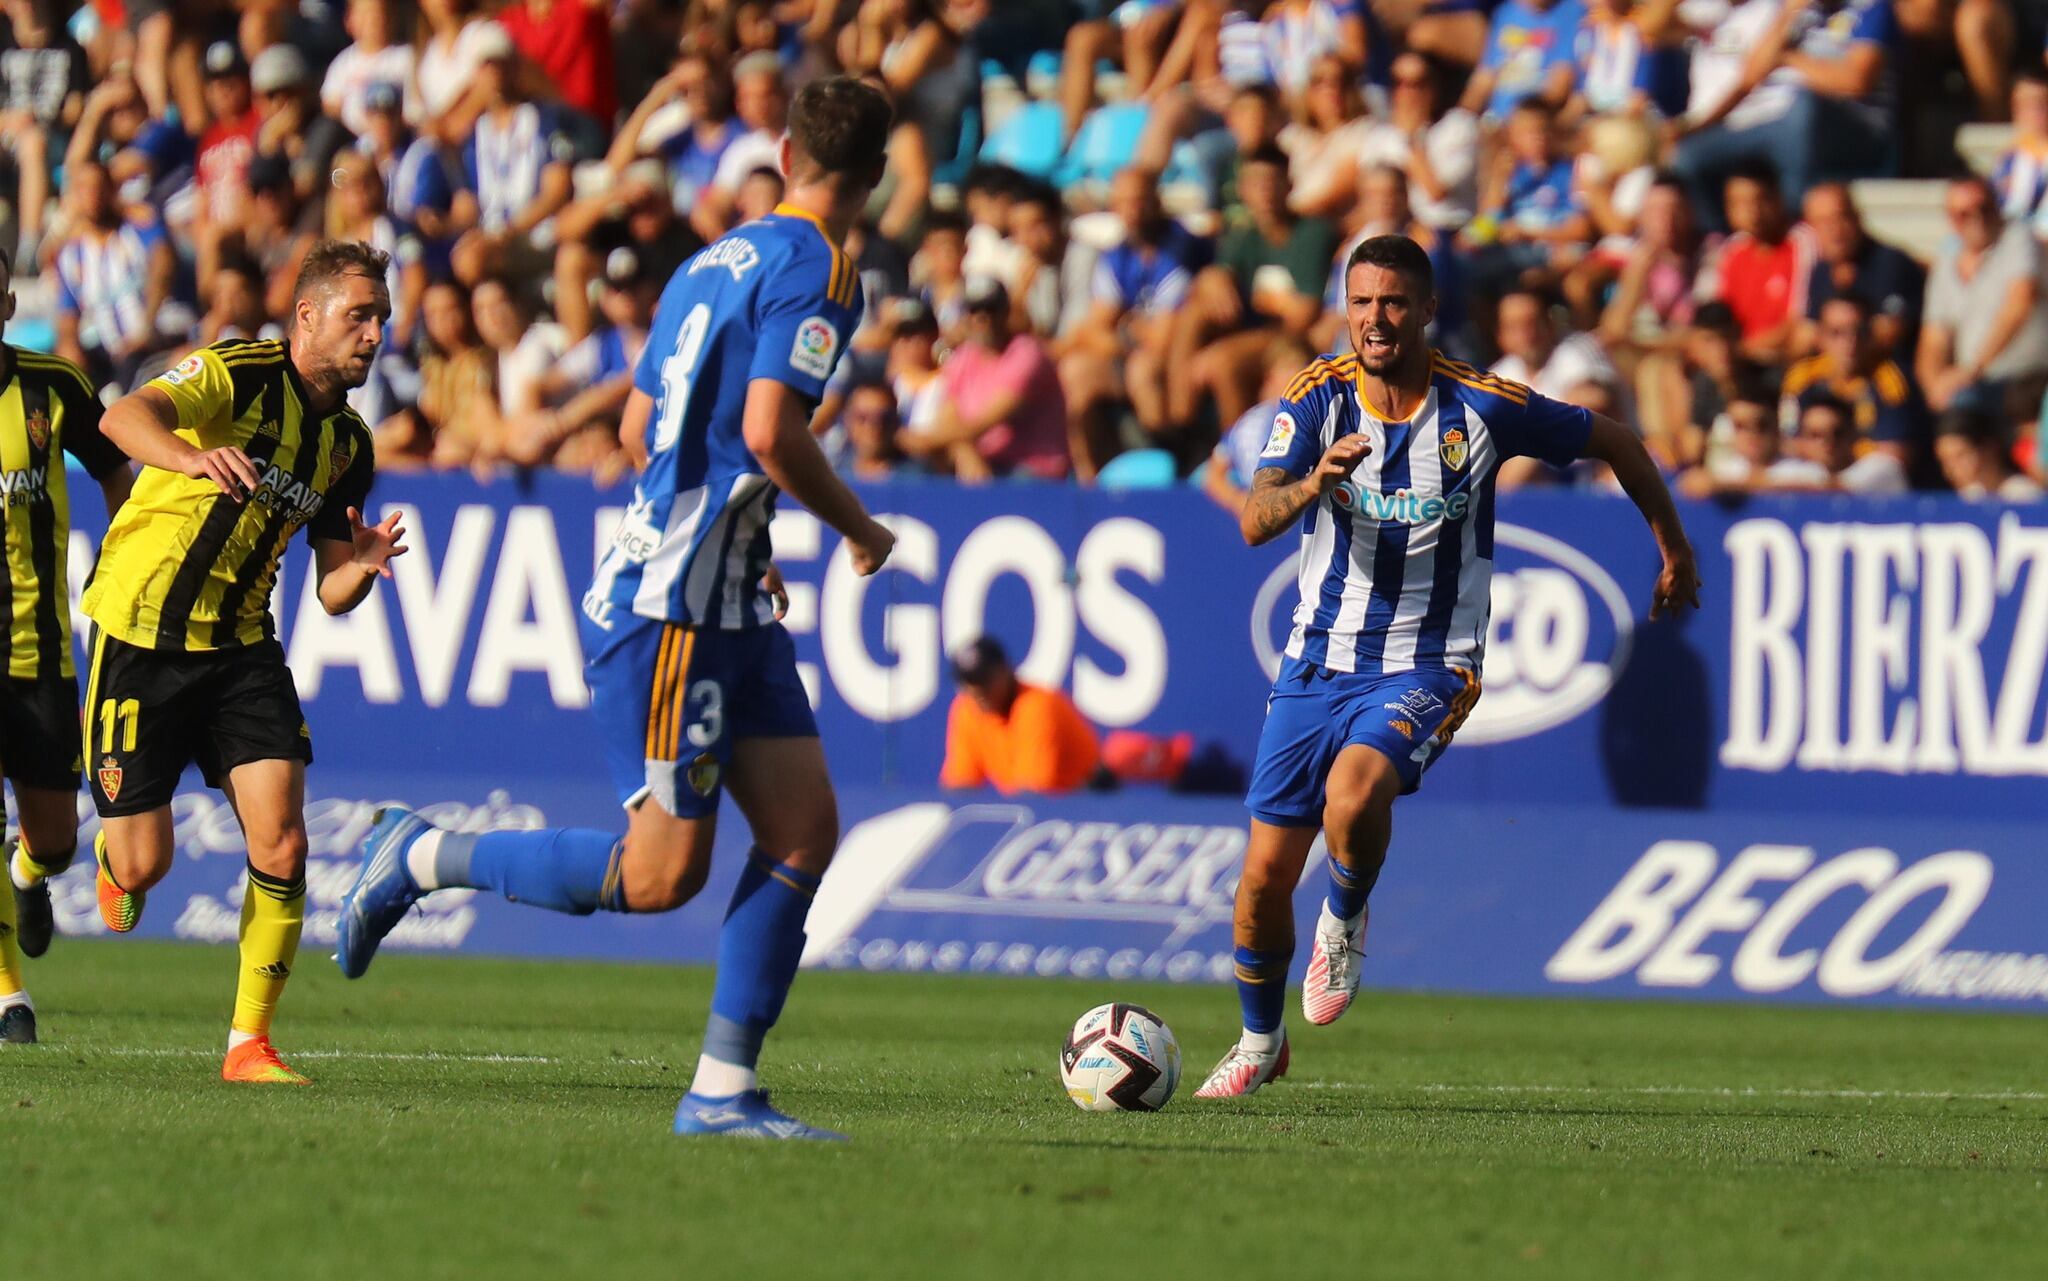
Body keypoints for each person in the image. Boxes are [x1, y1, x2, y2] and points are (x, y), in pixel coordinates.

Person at [335, 76, 900, 1142]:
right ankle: (421, 857)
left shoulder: (707, 263)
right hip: (675, 606)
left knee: (802, 829)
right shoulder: (822, 270)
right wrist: (858, 530)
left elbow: (644, 425)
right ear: (874, 173)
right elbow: (773, 433)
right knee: (658, 877)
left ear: (783, 155)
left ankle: (722, 1091)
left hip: (717, 589)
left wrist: (741, 534)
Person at [1195, 234, 1698, 1098]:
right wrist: (1316, 482)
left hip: (1430, 659)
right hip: (1315, 662)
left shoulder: (1482, 406)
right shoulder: (1316, 396)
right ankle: (1258, 1040)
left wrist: (1673, 547)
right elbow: (1253, 518)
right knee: (1258, 886)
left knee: (1354, 795)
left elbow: (1614, 436)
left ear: (1428, 309)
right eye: (1361, 301)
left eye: (1393, 301)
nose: (1375, 319)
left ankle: (1346, 916)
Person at [81, 240, 404, 1083]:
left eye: (381, 319)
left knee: (285, 839)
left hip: (242, 649)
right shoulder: (237, 372)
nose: (373, 334)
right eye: (357, 316)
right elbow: (121, 418)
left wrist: (359, 566)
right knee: (146, 862)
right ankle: (117, 862)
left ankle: (248, 1044)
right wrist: (190, 455)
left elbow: (331, 589)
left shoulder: (347, 444)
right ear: (307, 317)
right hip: (143, 632)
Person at [0, 250, 134, 1045]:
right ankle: (9, 992)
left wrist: (120, 564)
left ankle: (26, 873)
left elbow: (119, 472)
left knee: (56, 840)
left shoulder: (53, 386)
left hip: (40, 652)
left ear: (9, 299)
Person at [902, 278, 1069, 481]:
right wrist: (962, 449)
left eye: (990, 309)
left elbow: (982, 424)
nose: (982, 318)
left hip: (1032, 469)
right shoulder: (964, 357)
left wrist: (923, 440)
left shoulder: (1028, 355)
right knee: (917, 472)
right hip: (983, 461)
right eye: (974, 310)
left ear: (1005, 312)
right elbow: (950, 415)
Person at [1917, 176, 2048, 417]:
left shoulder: (2018, 239)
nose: (1977, 219)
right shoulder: (1947, 264)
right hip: (1977, 383)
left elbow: (2019, 305)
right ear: (1951, 219)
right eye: (1964, 214)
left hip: (2026, 377)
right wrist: (1934, 386)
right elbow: (1934, 338)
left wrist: (1970, 370)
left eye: (1984, 209)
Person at [939, 636, 1101, 795]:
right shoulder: (967, 709)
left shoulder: (1036, 706)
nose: (977, 691)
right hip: (1045, 811)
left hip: (1084, 810)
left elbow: (1032, 794)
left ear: (1005, 672)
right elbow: (959, 787)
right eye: (968, 683)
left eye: (984, 680)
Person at [1934, 405, 2045, 501]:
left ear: (1989, 449)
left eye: (1961, 456)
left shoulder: (2024, 495)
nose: (1949, 471)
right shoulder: (1968, 497)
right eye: (1946, 461)